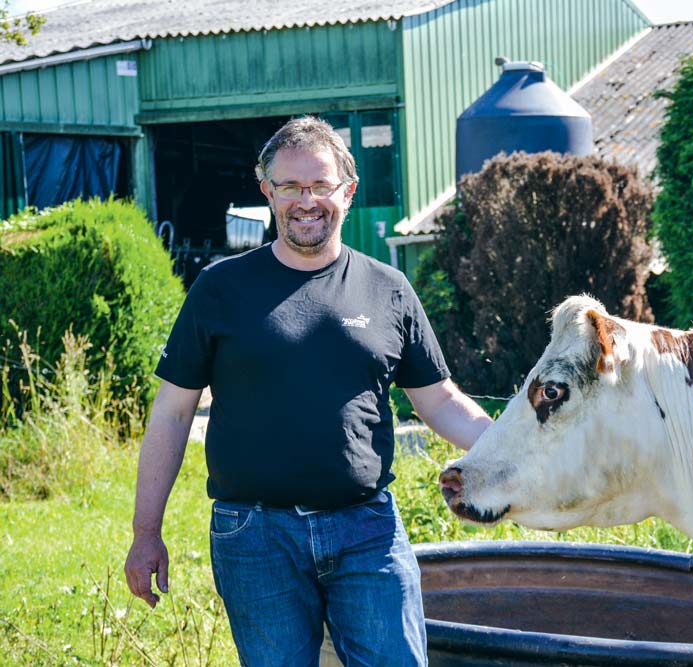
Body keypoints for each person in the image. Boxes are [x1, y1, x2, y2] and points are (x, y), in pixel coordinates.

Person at [123, 115, 493, 666]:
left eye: (320, 186)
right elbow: (174, 415)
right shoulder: (220, 289)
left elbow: (438, 398)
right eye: (291, 186)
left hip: (367, 528)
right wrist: (145, 531)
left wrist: (510, 445)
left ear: (347, 190)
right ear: (267, 190)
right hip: (255, 536)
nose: (306, 201)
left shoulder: (387, 288)